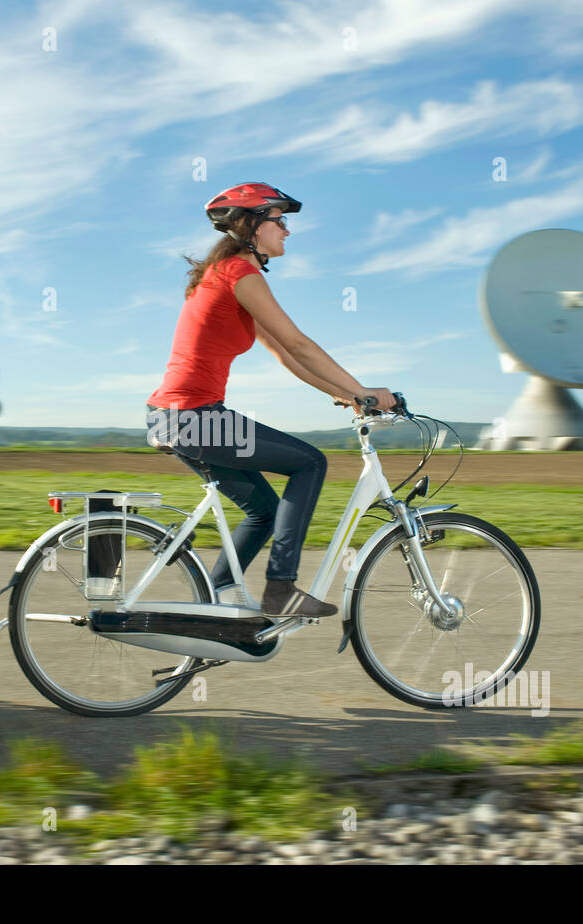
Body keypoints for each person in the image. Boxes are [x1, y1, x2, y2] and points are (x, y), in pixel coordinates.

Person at [146, 181, 396, 618]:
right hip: (193, 417)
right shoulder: (240, 274)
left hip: (175, 417)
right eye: (279, 221)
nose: (287, 231)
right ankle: (281, 589)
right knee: (310, 462)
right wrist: (365, 392)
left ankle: (217, 608)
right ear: (252, 226)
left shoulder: (224, 276)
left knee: (263, 511)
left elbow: (284, 354)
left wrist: (344, 395)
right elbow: (300, 344)